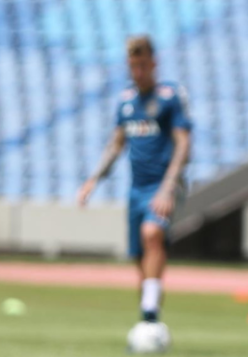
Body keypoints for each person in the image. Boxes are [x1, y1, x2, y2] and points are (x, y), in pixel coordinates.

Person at [78, 36, 192, 324]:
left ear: (153, 63)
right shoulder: (127, 102)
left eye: (142, 65)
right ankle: (149, 317)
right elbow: (116, 144)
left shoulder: (170, 97)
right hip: (136, 189)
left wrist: (168, 188)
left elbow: (183, 145)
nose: (138, 72)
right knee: (139, 257)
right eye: (133, 66)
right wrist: (94, 179)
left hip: (163, 185)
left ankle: (150, 308)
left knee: (152, 234)